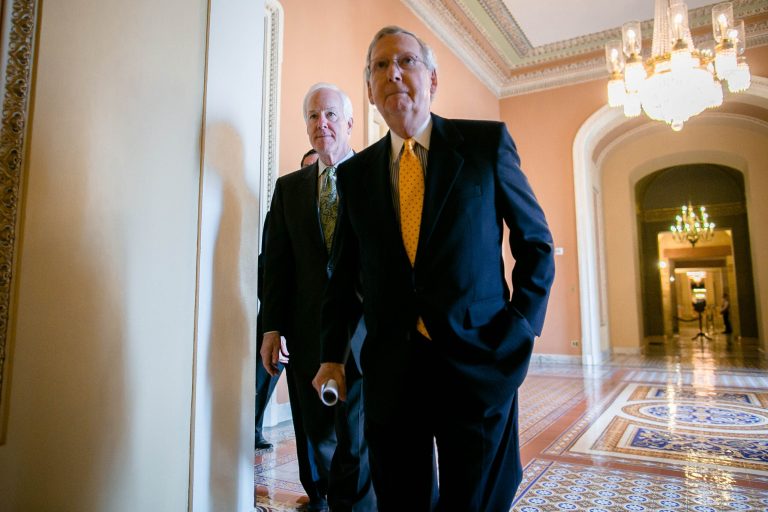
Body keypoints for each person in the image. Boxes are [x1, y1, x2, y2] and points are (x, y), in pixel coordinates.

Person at [312, 26, 555, 511]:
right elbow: (344, 275)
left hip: (479, 363)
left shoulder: (485, 146)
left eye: (406, 61)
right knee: (402, 501)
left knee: (478, 501)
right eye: (380, 66)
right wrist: (331, 355)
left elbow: (536, 245)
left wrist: (520, 328)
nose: (393, 73)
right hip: (393, 375)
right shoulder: (355, 176)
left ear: (433, 80)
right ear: (368, 89)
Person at [262, 83, 375, 512]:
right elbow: (278, 266)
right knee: (315, 430)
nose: (320, 123)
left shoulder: (373, 176)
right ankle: (324, 498)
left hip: (362, 331)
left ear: (348, 122)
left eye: (330, 115)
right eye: (312, 116)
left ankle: (357, 503)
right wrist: (272, 327)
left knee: (358, 432)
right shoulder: (288, 188)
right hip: (306, 330)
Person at [255, 149, 321, 450]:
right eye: (307, 166)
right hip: (291, 321)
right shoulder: (285, 199)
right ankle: (253, 425)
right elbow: (270, 262)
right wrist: (274, 323)